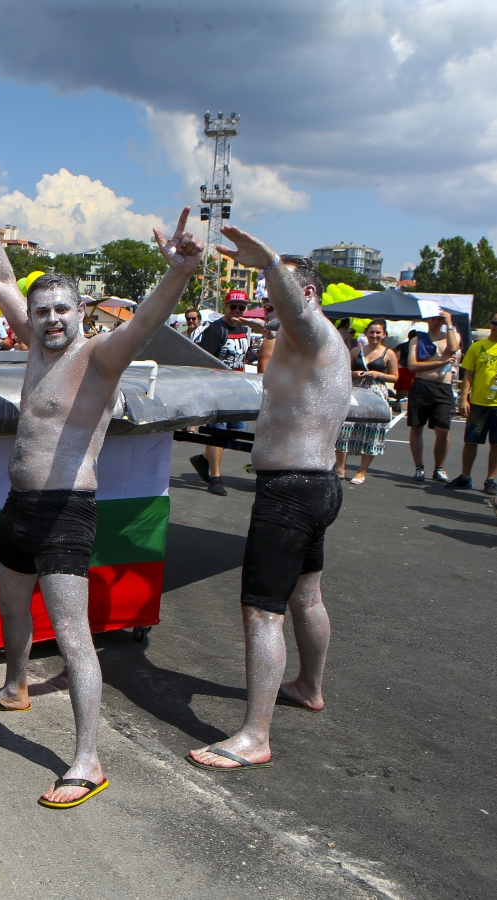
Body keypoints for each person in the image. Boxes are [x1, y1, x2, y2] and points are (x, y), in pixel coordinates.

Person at [0, 160, 203, 808]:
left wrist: (176, 272)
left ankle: (87, 760)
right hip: (17, 506)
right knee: (12, 609)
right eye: (42, 311)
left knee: (71, 636)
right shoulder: (34, 345)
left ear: (80, 312)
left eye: (62, 309)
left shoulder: (97, 356)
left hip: (66, 510)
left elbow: (143, 322)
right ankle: (14, 686)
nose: (50, 319)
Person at [187, 234, 350, 773]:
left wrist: (272, 263)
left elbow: (297, 308)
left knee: (262, 611)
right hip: (318, 485)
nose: (263, 300)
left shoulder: (313, 332)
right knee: (307, 595)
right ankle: (308, 685)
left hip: (291, 492)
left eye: (272, 290)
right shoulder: (308, 343)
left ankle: (255, 736)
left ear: (303, 293)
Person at [190, 289, 260, 496]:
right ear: (226, 306)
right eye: (233, 306)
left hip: (238, 388)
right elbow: (203, 361)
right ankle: (215, 478)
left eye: (241, 307)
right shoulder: (215, 330)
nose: (237, 310)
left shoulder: (245, 330)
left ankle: (203, 459)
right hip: (218, 389)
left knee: (237, 432)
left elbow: (244, 358)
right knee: (217, 433)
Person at [334, 319, 397, 484]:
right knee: (344, 428)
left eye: (378, 332)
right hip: (356, 392)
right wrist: (353, 374)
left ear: (384, 334)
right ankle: (340, 468)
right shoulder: (357, 350)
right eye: (371, 332)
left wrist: (379, 375)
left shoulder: (388, 353)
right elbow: (343, 370)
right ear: (366, 333)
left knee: (372, 431)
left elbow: (395, 377)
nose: (374, 335)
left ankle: (362, 471)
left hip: (376, 394)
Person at [406, 308, 459, 482]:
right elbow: (413, 366)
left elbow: (453, 348)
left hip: (443, 388)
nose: (436, 322)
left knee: (443, 429)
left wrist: (450, 323)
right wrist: (441, 361)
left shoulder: (451, 336)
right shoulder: (417, 339)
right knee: (417, 426)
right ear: (427, 320)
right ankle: (419, 466)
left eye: (439, 319)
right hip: (422, 386)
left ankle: (439, 468)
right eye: (433, 319)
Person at [449, 314, 497, 494]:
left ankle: (491, 480)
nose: (496, 326)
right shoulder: (478, 347)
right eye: (495, 322)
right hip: (478, 403)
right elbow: (467, 376)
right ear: (490, 324)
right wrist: (463, 399)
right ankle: (465, 477)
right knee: (471, 441)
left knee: (496, 444)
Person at [255, 303, 277, 374]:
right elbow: (263, 372)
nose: (266, 312)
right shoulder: (271, 339)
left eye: (270, 309)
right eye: (266, 309)